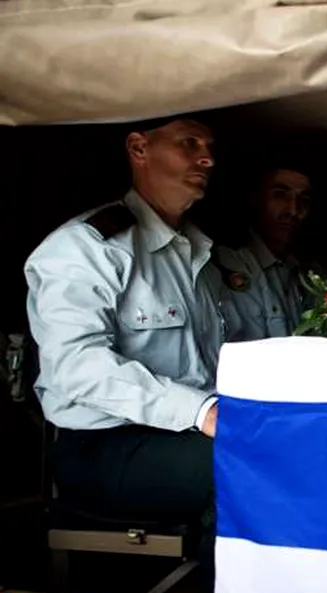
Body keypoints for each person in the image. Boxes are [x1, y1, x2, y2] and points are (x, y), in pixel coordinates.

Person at [24, 116, 238, 533]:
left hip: (187, 432)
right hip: (102, 447)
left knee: (289, 454)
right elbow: (76, 367)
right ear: (139, 149)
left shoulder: (200, 254)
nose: (207, 158)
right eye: (189, 143)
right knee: (245, 471)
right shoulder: (85, 247)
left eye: (209, 146)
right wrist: (200, 410)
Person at [216, 160, 314, 339]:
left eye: (303, 200)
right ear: (255, 199)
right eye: (280, 195)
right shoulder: (224, 264)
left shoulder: (303, 275)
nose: (293, 210)